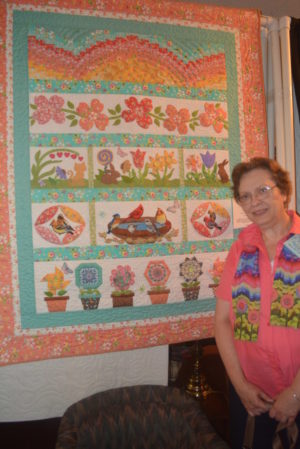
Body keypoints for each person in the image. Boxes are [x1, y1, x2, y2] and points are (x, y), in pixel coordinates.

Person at [214, 157, 300, 449]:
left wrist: (297, 393)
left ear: (284, 192)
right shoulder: (240, 249)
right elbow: (222, 321)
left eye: (263, 190)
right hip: (252, 397)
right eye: (245, 196)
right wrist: (240, 386)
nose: (255, 202)